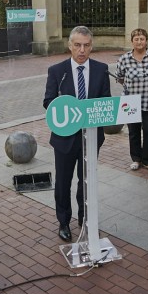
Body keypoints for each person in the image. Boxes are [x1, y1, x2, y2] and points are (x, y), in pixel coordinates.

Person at [43, 26, 111, 242]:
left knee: (86, 181)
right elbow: (48, 101)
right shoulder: (57, 71)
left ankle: (85, 218)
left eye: (86, 45)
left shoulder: (101, 70)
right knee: (63, 182)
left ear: (92, 46)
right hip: (65, 139)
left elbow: (105, 101)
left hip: (90, 138)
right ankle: (63, 221)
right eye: (77, 45)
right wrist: (68, 108)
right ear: (70, 46)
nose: (82, 50)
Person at [115, 28, 148, 173]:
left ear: (146, 41)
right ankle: (136, 159)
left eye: (142, 39)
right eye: (136, 39)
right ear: (132, 41)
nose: (139, 42)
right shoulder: (124, 58)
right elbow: (119, 77)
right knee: (133, 132)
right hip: (130, 103)